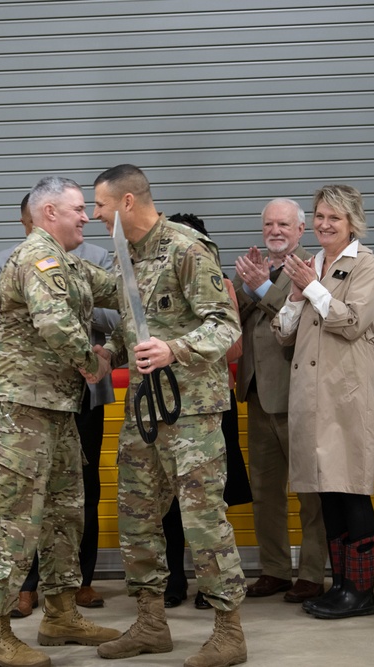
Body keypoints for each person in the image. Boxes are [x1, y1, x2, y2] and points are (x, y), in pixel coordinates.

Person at [92, 164, 247, 667]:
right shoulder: (124, 256)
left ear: (128, 203)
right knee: (137, 517)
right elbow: (132, 331)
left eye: (100, 206)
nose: (95, 215)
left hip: (192, 414)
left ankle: (228, 631)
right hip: (143, 411)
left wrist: (174, 349)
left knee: (203, 521)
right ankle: (151, 623)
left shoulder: (187, 248)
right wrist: (105, 356)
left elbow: (225, 324)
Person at [0, 176, 120, 667]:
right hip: (16, 407)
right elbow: (56, 323)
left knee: (64, 513)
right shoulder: (39, 256)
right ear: (49, 212)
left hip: (54, 407)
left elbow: (116, 288)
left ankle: (60, 612)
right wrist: (94, 363)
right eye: (79, 209)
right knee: (15, 521)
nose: (87, 216)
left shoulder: (72, 264)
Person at [272, 184, 374, 620]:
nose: (323, 224)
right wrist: (297, 297)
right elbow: (283, 332)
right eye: (319, 216)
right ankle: (340, 585)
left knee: (352, 488)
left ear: (352, 222)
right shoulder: (311, 264)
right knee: (327, 493)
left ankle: (361, 591)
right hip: (311, 395)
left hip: (346, 394)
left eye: (333, 218)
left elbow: (353, 322)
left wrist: (313, 288)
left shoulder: (366, 264)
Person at [232, 198, 329, 604]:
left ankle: (310, 573)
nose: (275, 231)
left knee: (310, 490)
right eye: (269, 224)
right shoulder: (256, 265)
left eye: (284, 225)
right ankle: (273, 569)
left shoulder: (314, 266)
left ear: (301, 229)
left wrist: (262, 289)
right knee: (265, 491)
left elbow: (307, 321)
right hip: (257, 392)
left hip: (299, 394)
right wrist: (243, 290)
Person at [161, 212, 252, 611]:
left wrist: (183, 343)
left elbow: (234, 349)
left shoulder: (221, 286)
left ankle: (210, 584)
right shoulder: (156, 288)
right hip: (166, 402)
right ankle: (174, 578)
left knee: (209, 500)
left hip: (211, 404)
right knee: (167, 498)